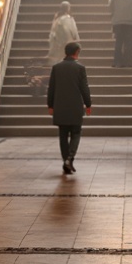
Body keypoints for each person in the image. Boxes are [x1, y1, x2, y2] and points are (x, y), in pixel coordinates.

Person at [47, 41, 91, 174]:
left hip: (60, 106)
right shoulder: (80, 68)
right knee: (76, 133)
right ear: (77, 52)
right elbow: (84, 88)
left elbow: (51, 88)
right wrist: (88, 103)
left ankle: (65, 159)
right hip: (75, 106)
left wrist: (50, 105)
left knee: (63, 134)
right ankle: (70, 158)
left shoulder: (56, 67)